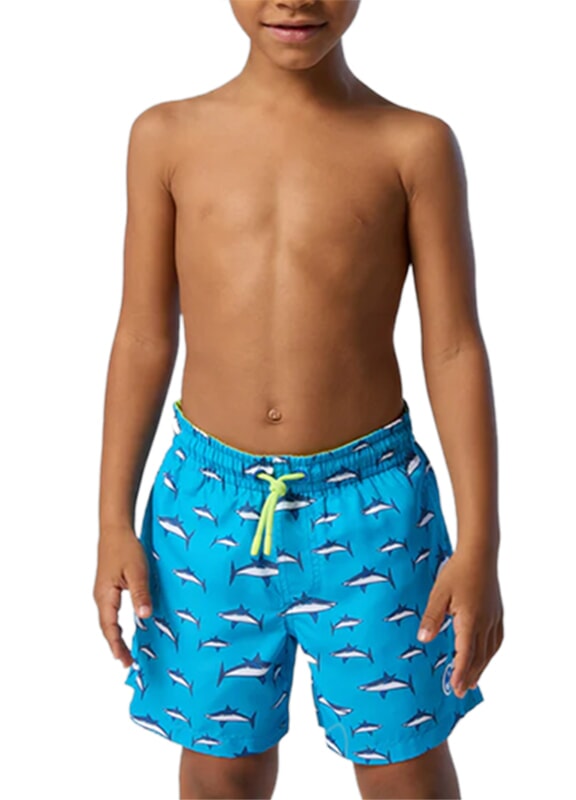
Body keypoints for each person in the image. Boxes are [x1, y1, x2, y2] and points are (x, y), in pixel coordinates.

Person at [93, 1, 504, 798]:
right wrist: (113, 519)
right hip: (206, 506)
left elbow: (454, 347)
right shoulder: (166, 137)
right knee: (221, 769)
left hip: (374, 510)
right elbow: (143, 336)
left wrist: (480, 543)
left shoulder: (412, 145)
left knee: (405, 771)